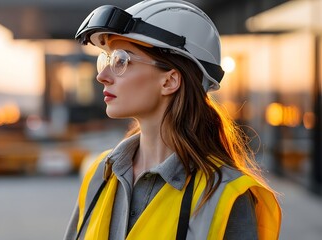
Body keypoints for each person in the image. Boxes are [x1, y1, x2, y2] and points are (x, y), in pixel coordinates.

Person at [64, 0, 281, 239]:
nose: (102, 76)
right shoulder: (100, 173)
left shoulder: (225, 196)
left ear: (169, 81)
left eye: (121, 61)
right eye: (106, 60)